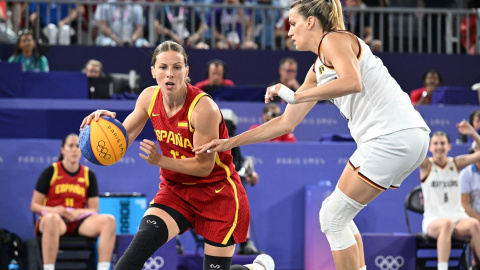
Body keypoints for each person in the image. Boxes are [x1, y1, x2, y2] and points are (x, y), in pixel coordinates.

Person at [193, 0, 431, 269]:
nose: (289, 31)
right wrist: (228, 142)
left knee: (332, 217)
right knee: (338, 215)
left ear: (310, 22)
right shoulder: (317, 69)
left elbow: (353, 81)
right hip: (403, 136)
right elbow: (285, 123)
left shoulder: (334, 40)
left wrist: (296, 95)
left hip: (392, 134)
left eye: (293, 24)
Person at [80, 40, 274, 270]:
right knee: (131, 259)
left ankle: (256, 269)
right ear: (153, 72)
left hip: (217, 193)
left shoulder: (203, 109)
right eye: (162, 67)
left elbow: (204, 167)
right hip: (176, 191)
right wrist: (104, 127)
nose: (169, 74)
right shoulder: (148, 98)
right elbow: (120, 141)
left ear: (186, 71)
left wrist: (160, 161)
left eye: (177, 67)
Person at [30, 134, 117, 270]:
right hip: (55, 221)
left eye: (78, 146)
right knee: (52, 219)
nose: (74, 150)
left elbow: (94, 209)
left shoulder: (88, 174)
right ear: (63, 150)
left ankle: (103, 268)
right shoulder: (51, 171)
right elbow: (34, 205)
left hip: (78, 221)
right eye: (71, 146)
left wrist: (79, 212)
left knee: (109, 221)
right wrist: (55, 210)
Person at [418, 123, 480, 270]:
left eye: (443, 143)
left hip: (457, 218)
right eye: (435, 144)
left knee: (474, 224)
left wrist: (472, 133)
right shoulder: (426, 166)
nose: (439, 147)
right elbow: (414, 150)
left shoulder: (456, 164)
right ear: (430, 148)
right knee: (446, 224)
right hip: (434, 220)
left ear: (449, 147)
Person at [221, 108, 262, 255]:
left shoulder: (233, 144)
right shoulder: (202, 140)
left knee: (241, 205)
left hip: (229, 188)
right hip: (208, 188)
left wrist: (250, 174)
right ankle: (176, 244)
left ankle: (245, 243)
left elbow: (239, 166)